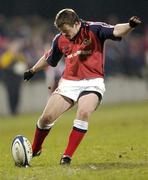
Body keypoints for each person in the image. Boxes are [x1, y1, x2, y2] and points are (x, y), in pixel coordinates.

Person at [24, 8, 141, 165]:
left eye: (67, 31)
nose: (65, 35)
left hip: (93, 82)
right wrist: (32, 70)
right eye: (62, 32)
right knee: (46, 118)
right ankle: (35, 148)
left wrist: (130, 25)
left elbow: (116, 30)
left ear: (77, 23)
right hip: (69, 82)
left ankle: (67, 156)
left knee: (84, 111)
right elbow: (49, 58)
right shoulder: (60, 39)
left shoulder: (94, 29)